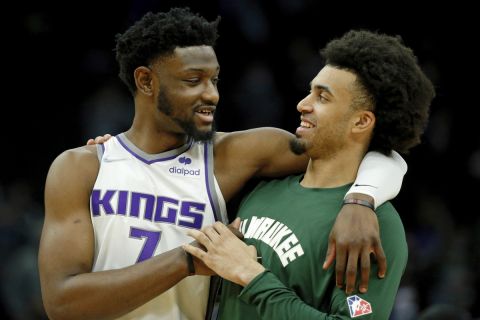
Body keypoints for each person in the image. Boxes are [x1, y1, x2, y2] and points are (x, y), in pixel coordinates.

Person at [38, 8, 407, 320]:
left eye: (214, 79)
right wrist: (186, 261)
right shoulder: (82, 168)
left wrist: (361, 198)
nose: (211, 94)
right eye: (193, 80)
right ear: (146, 81)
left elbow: (354, 145)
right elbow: (61, 302)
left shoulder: (237, 155)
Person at [184, 29, 435, 319]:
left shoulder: (375, 226)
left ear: (361, 121)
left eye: (323, 98)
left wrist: (252, 277)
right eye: (310, 91)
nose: (303, 104)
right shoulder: (266, 188)